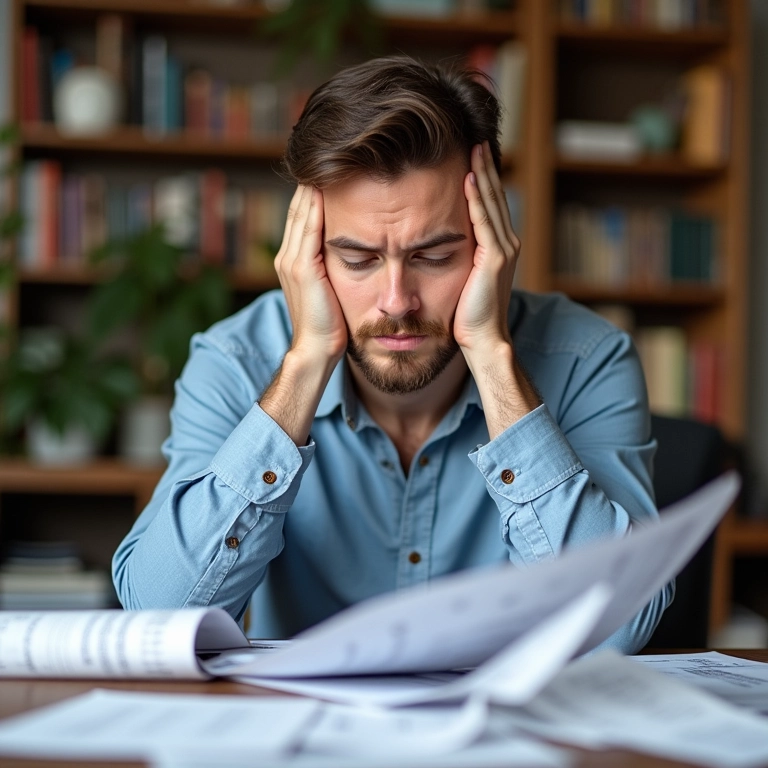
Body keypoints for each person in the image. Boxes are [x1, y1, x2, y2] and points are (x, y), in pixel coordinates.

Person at [113, 56, 671, 653]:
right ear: (308, 253)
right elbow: (160, 620)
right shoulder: (236, 359)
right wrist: (305, 364)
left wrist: (490, 354)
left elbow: (619, 631)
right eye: (357, 259)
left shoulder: (589, 359)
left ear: (493, 241)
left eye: (434, 257)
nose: (396, 301)